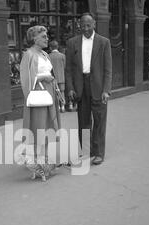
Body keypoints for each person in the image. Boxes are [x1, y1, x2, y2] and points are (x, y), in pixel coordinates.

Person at [66, 13, 112, 165]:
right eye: (82, 25)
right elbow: (69, 69)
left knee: (99, 121)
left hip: (98, 87)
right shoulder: (72, 43)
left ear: (94, 25)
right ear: (79, 25)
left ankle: (98, 153)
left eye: (88, 25)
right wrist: (71, 88)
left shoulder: (104, 42)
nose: (85, 28)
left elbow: (108, 69)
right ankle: (87, 151)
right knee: (83, 121)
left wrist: (106, 90)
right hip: (81, 86)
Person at [20, 26, 61, 169]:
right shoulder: (29, 55)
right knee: (38, 126)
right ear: (34, 39)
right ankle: (37, 160)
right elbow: (25, 79)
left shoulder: (45, 54)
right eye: (43, 36)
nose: (47, 38)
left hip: (49, 94)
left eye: (47, 36)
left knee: (48, 125)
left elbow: (51, 72)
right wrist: (44, 77)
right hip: (37, 95)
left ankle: (46, 158)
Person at [49, 40, 66, 113]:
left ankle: (58, 107)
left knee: (54, 93)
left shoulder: (48, 56)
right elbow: (65, 66)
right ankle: (63, 106)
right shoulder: (62, 56)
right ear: (57, 46)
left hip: (53, 78)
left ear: (50, 48)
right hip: (61, 77)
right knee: (62, 92)